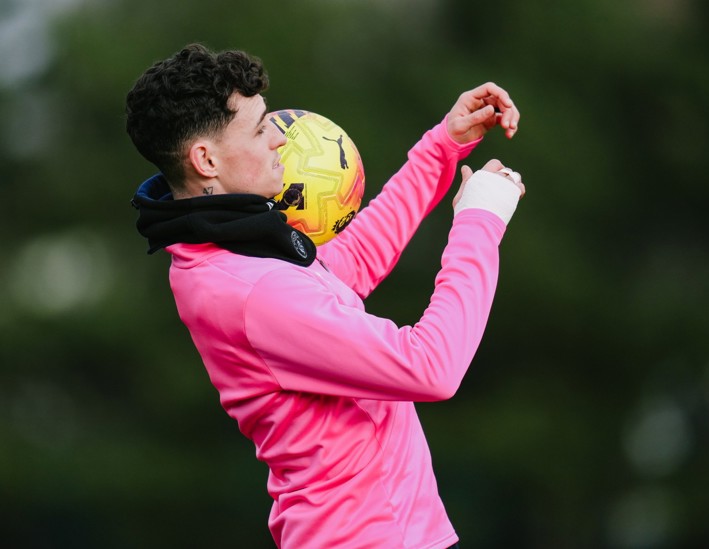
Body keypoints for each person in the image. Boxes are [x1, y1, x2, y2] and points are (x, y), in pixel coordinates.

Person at [126, 43, 525, 549]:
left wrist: (443, 145)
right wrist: (479, 222)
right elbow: (431, 368)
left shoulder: (224, 245)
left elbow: (347, 264)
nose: (277, 139)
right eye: (257, 129)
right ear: (205, 159)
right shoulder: (253, 289)